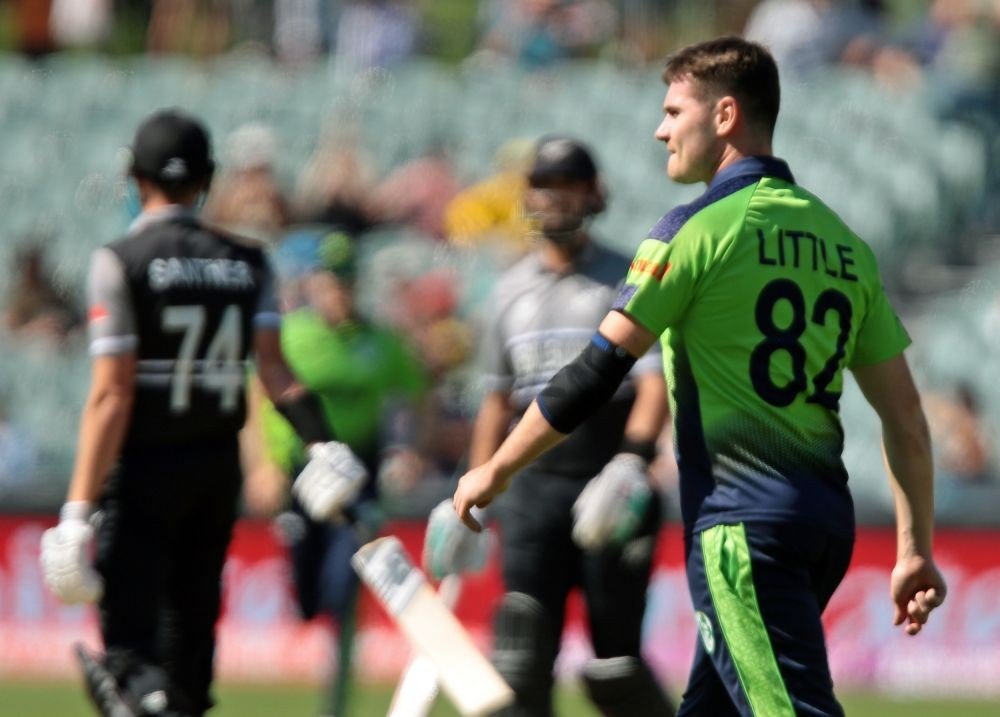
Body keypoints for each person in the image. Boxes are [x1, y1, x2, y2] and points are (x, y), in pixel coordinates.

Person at [453, 37, 947, 717]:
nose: (661, 130)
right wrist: (914, 548)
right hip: (823, 523)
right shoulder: (845, 244)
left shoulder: (694, 231)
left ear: (723, 116)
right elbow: (906, 419)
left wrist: (496, 469)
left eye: (673, 111)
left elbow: (596, 371)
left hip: (743, 526)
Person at [38, 109, 368, 717]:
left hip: (143, 470)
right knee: (190, 651)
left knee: (129, 657)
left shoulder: (121, 260)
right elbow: (275, 371)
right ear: (208, 180)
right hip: (214, 471)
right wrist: (322, 443)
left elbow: (112, 395)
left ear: (135, 177)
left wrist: (77, 510)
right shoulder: (249, 261)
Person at [428, 136, 674, 716]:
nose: (556, 199)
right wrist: (475, 487)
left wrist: (630, 465)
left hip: (609, 481)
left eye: (569, 186)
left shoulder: (627, 277)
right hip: (533, 493)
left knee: (615, 667)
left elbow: (653, 385)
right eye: (544, 185)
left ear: (594, 194)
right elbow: (497, 402)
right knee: (522, 659)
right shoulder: (507, 292)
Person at [253, 228, 431, 717]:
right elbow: (259, 396)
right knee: (307, 592)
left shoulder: (380, 342)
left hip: (359, 474)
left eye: (347, 282)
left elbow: (420, 396)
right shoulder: (293, 335)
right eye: (331, 281)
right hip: (304, 473)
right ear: (315, 284)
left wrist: (412, 451)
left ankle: (338, 698)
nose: (339, 292)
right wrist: (264, 465)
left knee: (346, 578)